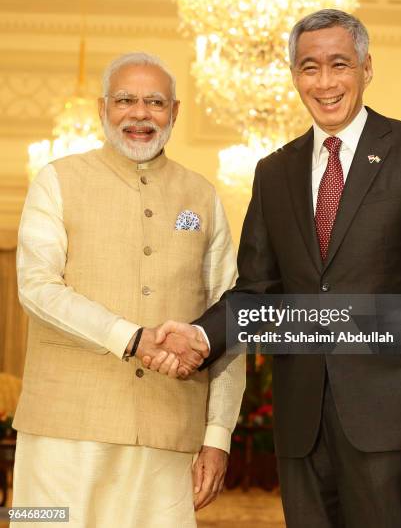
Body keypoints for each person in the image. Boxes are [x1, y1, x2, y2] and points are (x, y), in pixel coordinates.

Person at [152, 10, 401, 527]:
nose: (324, 82)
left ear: (366, 68)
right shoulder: (274, 172)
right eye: (309, 67)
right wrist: (199, 336)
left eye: (339, 64)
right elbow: (256, 289)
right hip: (302, 420)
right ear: (295, 75)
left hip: (394, 416)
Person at [12, 52, 245, 528]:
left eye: (155, 102)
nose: (140, 114)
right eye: (126, 100)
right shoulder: (57, 180)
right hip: (63, 428)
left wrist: (218, 436)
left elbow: (230, 317)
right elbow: (36, 288)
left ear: (175, 112)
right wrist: (132, 338)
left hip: (169, 431)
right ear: (102, 107)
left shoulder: (201, 196)